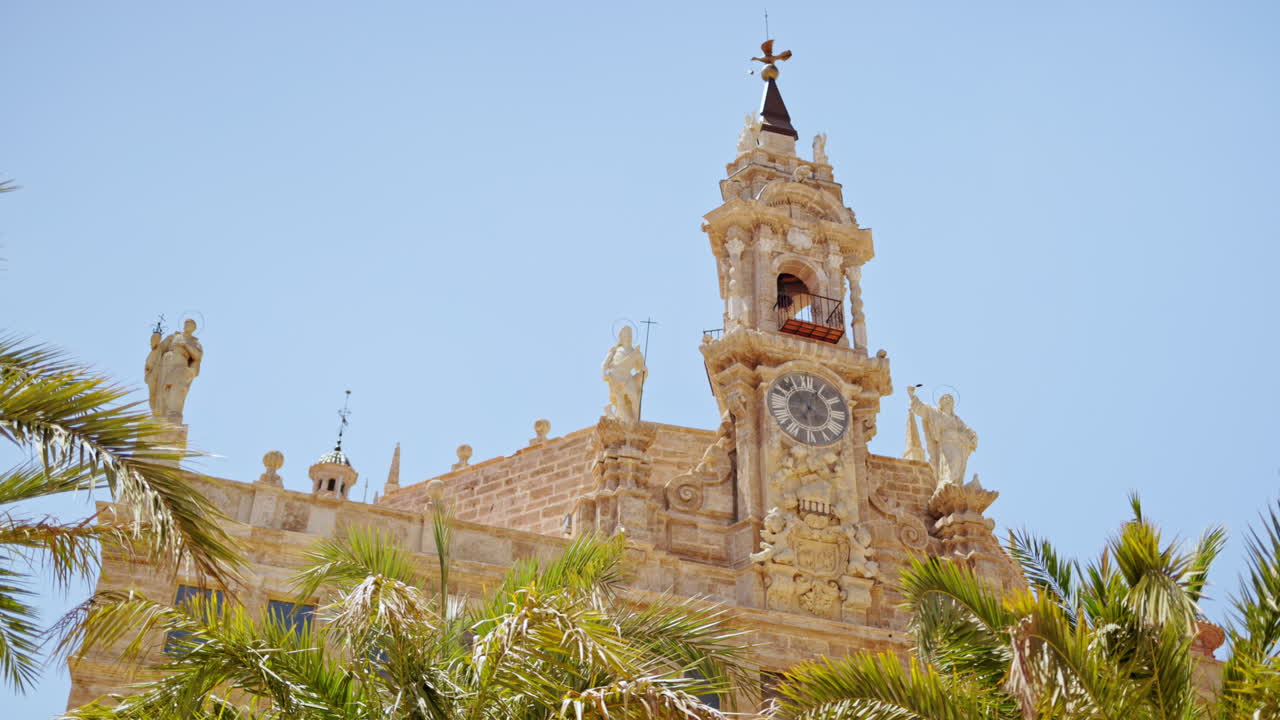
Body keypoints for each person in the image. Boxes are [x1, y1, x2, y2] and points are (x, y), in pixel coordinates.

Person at [907, 385, 977, 486]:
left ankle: (955, 483)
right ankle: (947, 482)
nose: (948, 399)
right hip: (946, 443)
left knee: (958, 463)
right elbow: (922, 408)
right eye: (945, 398)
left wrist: (972, 438)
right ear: (941, 402)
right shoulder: (935, 413)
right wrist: (912, 395)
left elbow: (967, 430)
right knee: (949, 463)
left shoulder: (957, 420)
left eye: (950, 398)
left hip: (958, 445)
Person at [601, 326, 647, 423]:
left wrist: (644, 370)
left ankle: (635, 420)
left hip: (627, 377)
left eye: (630, 333)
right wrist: (604, 373)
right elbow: (604, 364)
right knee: (620, 399)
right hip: (616, 376)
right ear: (621, 336)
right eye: (626, 333)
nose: (628, 336)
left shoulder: (636, 353)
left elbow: (640, 367)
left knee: (634, 397)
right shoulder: (615, 350)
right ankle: (621, 418)